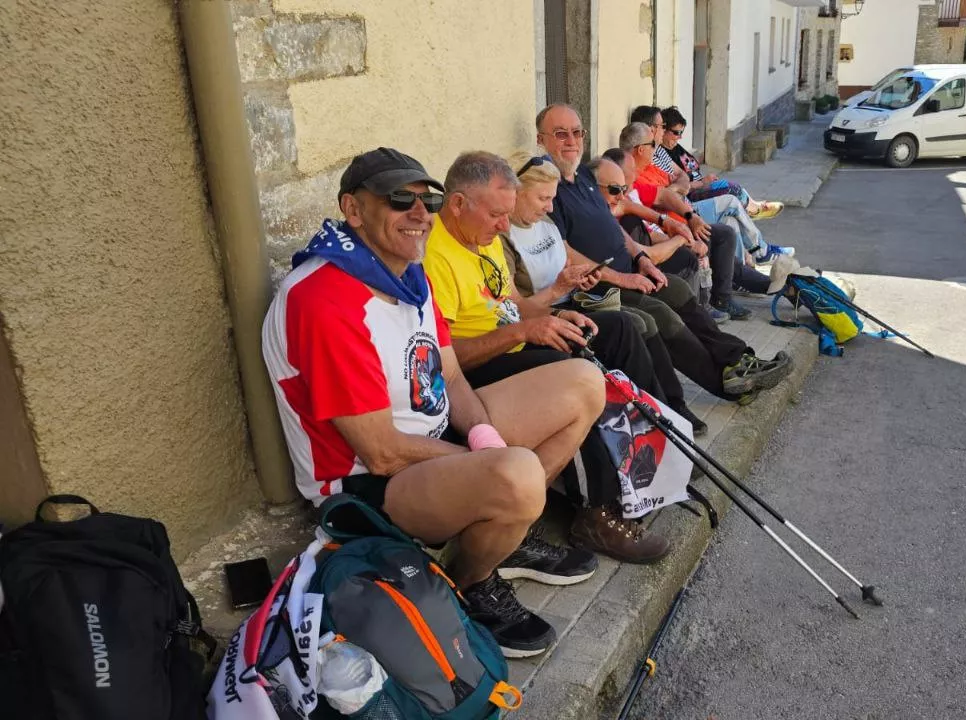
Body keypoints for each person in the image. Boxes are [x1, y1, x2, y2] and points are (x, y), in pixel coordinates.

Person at [263, 147, 600, 659]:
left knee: (583, 382)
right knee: (520, 474)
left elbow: (447, 372)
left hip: (431, 440)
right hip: (369, 488)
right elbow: (380, 452)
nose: (420, 214)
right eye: (400, 200)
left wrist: (484, 436)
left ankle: (500, 535)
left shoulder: (404, 271)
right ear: (353, 210)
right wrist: (491, 462)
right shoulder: (324, 299)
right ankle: (470, 578)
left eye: (427, 200)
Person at [423, 150, 672, 565]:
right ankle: (595, 511)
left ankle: (656, 438)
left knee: (617, 329)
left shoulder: (480, 237)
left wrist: (554, 311)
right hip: (478, 373)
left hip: (513, 342)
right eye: (496, 216)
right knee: (577, 374)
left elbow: (514, 303)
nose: (504, 226)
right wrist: (524, 330)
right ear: (458, 204)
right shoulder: (435, 256)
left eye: (507, 215)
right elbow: (445, 361)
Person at [537, 103, 794, 404]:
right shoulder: (546, 188)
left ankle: (738, 361)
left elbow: (613, 220)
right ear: (541, 139)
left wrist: (641, 258)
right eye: (560, 134)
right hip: (598, 286)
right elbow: (564, 253)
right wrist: (625, 275)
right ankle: (724, 386)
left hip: (630, 270)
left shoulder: (582, 175)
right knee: (662, 315)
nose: (572, 140)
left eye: (577, 132)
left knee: (678, 287)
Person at [498, 150, 709, 436]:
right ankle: (658, 420)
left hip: (573, 299)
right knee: (632, 324)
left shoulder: (543, 222)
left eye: (552, 198)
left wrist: (585, 275)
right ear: (516, 193)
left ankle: (669, 409)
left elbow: (568, 258)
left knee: (648, 318)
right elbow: (518, 309)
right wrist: (561, 288)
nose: (550, 208)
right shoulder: (503, 237)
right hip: (549, 314)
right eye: (543, 198)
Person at [617, 123, 766, 320]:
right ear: (640, 149)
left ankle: (727, 296)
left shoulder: (647, 170)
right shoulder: (631, 183)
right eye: (653, 143)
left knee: (725, 232)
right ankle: (703, 308)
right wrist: (683, 236)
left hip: (681, 224)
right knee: (724, 217)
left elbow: (674, 187)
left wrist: (690, 218)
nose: (657, 145)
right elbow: (648, 235)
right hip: (665, 241)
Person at [658, 106, 783, 219]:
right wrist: (702, 182)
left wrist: (705, 180)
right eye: (676, 133)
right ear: (663, 130)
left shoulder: (675, 147)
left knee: (730, 187)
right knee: (730, 189)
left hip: (701, 185)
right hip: (691, 194)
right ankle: (754, 210)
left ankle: (754, 206)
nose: (680, 137)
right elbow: (677, 185)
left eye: (681, 132)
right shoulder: (661, 154)